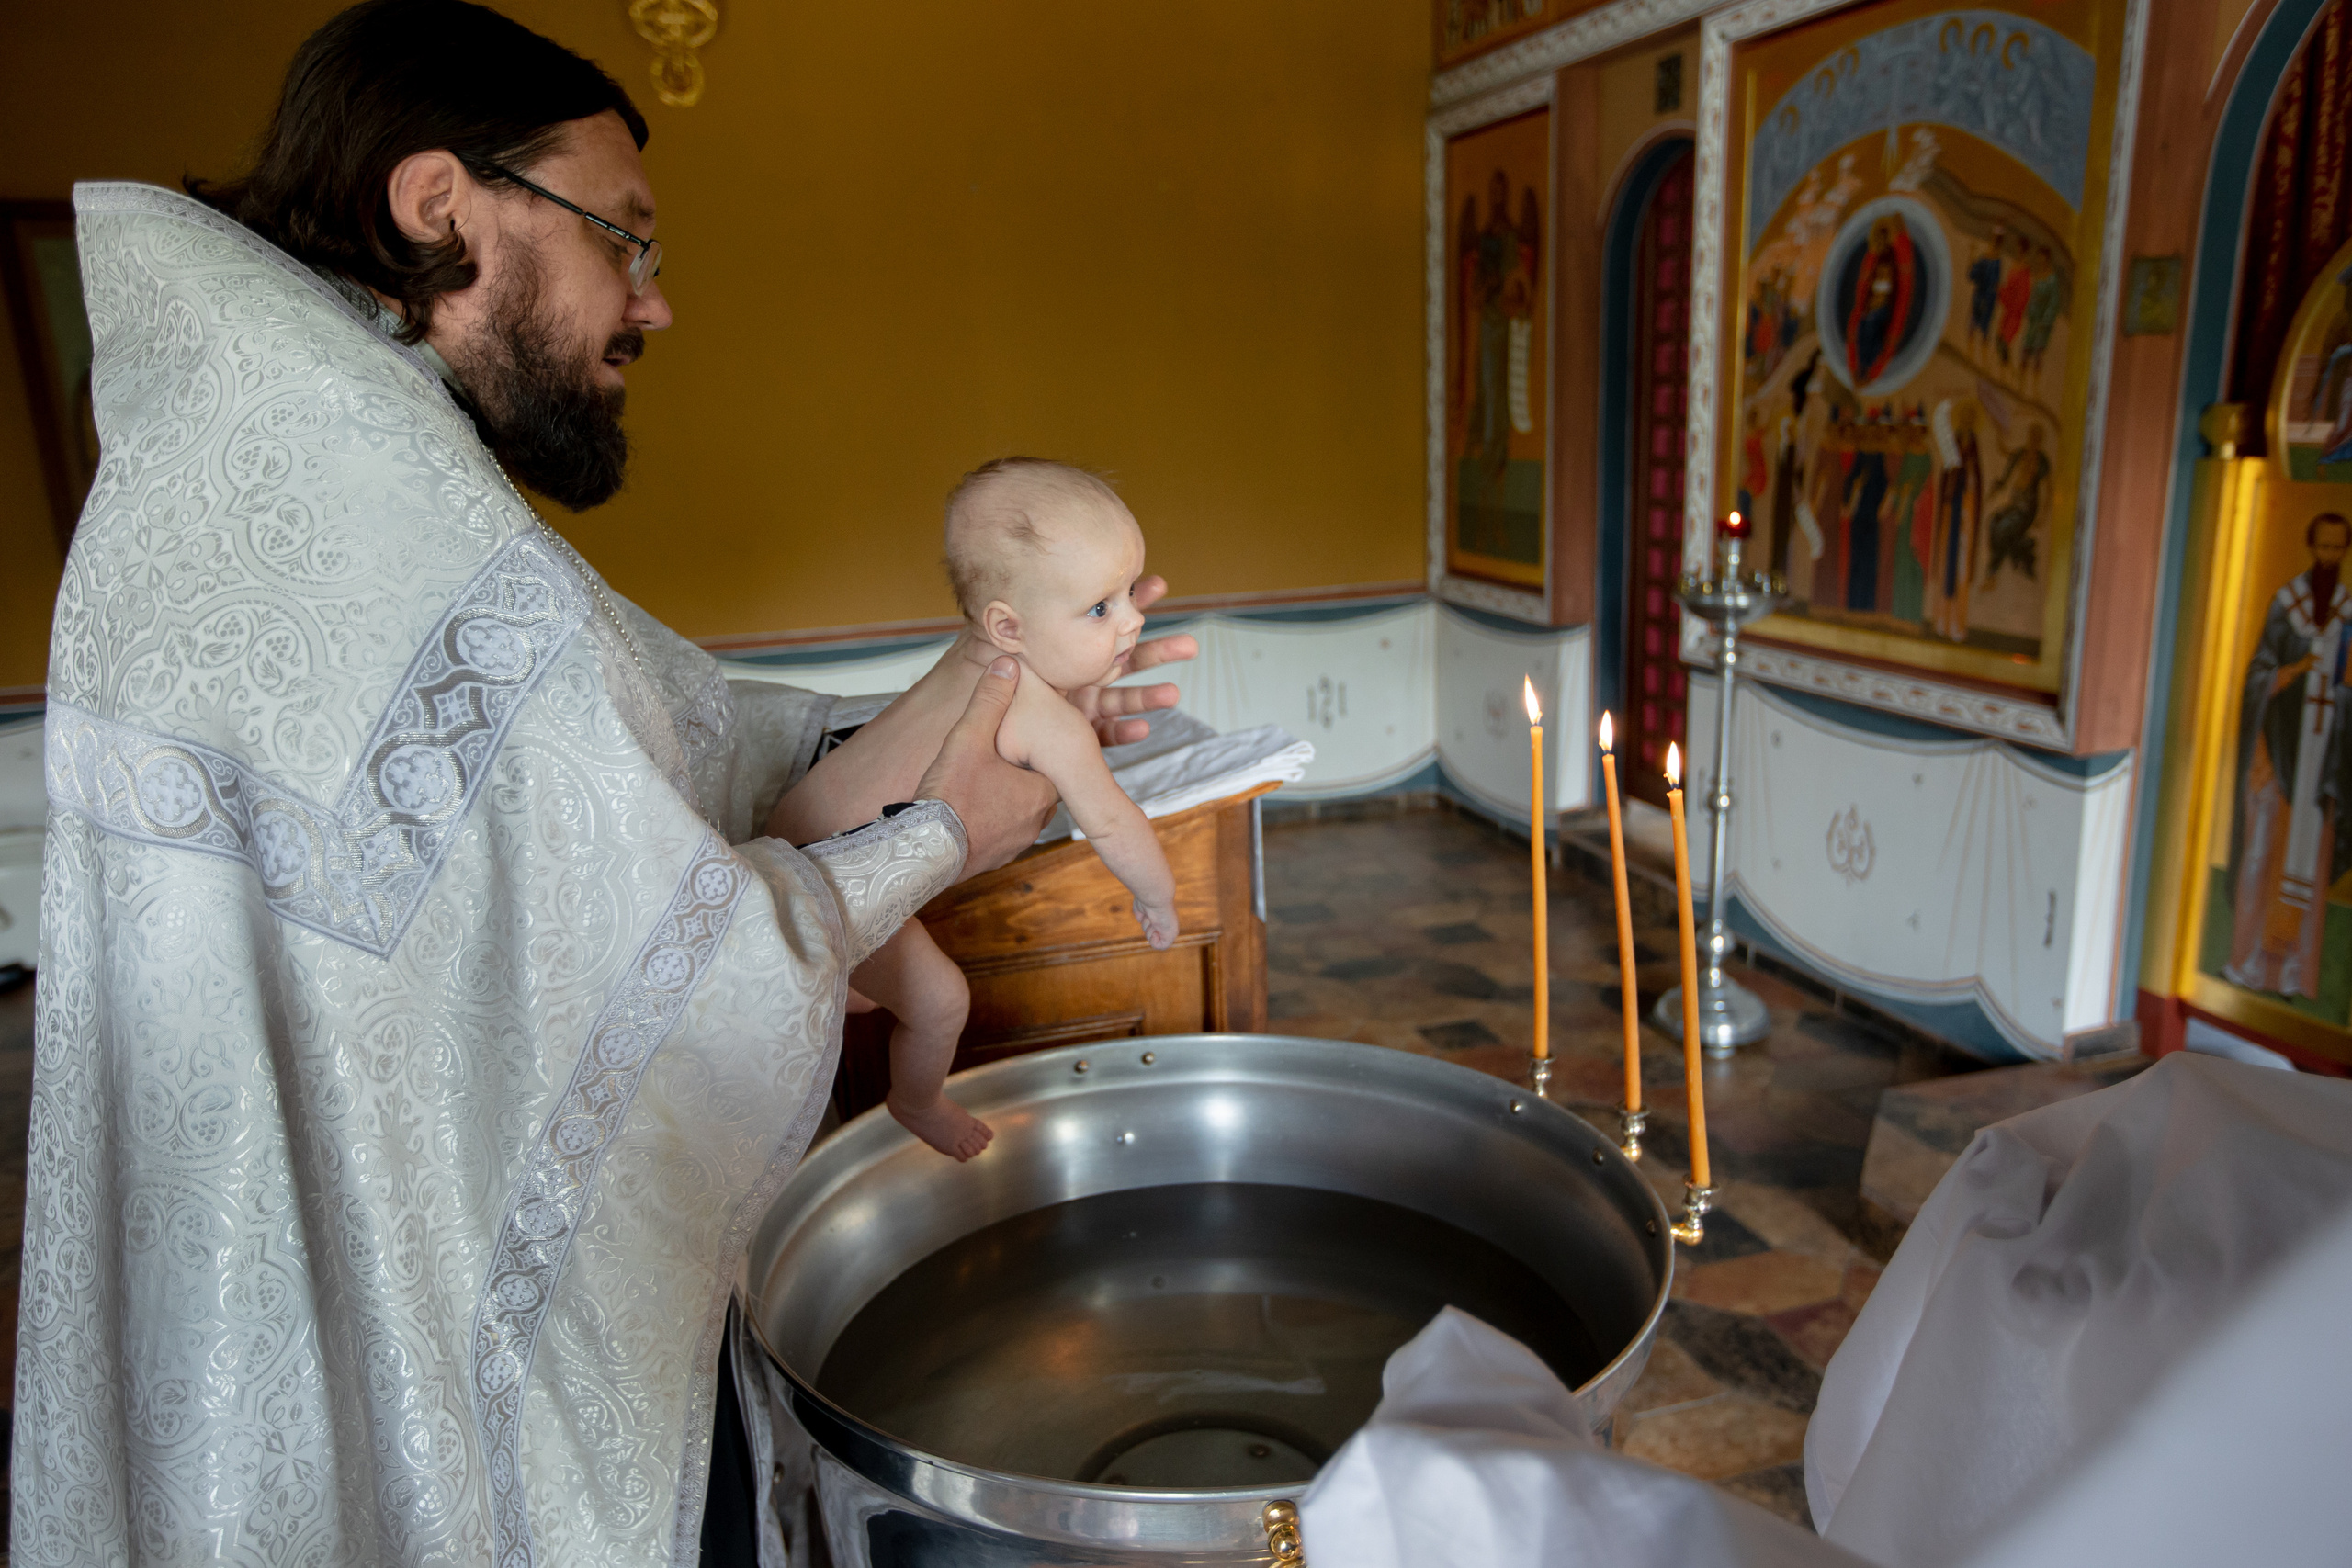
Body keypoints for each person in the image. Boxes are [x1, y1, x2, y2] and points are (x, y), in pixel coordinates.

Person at [21, 4, 1194, 1564]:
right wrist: (933, 837)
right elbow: (640, 987)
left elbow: (645, 747)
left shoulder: (283, 450)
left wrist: (1001, 690)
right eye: (621, 239)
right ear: (440, 203)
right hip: (475, 1380)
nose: (654, 303)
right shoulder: (347, 489)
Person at [771, 460, 1181, 1160]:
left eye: (1130, 591)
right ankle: (917, 1099)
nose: (1134, 620)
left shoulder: (973, 657)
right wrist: (1158, 895)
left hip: (785, 843)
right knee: (941, 1001)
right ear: (1008, 625)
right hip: (832, 890)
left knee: (869, 979)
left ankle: (837, 977)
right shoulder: (1046, 720)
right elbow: (1113, 820)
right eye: (1101, 608)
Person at [2226, 513, 2352, 998]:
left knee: (2311, 864)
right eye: (2323, 547)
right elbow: (2257, 674)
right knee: (2263, 855)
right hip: (2278, 754)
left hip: (2322, 760)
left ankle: (2297, 975)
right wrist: (2296, 669)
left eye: (2338, 549)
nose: (2330, 558)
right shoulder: (2287, 604)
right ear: (2310, 547)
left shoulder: (2347, 609)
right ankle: (2249, 965)